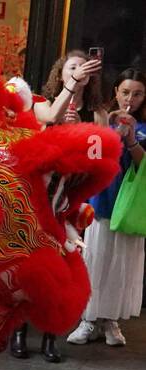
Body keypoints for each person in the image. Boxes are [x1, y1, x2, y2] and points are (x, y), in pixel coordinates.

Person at [68, 69, 146, 348]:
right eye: (125, 92)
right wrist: (112, 133)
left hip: (131, 208)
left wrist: (132, 139)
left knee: (121, 266)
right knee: (96, 262)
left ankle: (110, 320)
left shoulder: (143, 126)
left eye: (137, 94)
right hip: (102, 201)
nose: (130, 98)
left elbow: (142, 164)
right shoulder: (103, 118)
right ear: (116, 92)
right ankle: (88, 320)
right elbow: (92, 158)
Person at [35, 49, 107, 126]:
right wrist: (74, 79)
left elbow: (100, 138)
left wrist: (80, 126)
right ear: (59, 76)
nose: (80, 71)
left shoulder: (99, 113)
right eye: (73, 68)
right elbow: (52, 118)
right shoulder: (42, 104)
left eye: (84, 68)